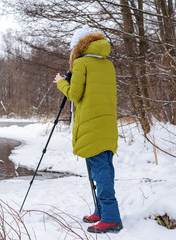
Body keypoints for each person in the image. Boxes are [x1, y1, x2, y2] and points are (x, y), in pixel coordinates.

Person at [53, 25, 122, 233]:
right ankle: (101, 211)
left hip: (91, 125)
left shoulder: (82, 63)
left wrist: (61, 83)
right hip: (107, 126)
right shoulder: (108, 65)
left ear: (79, 47)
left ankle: (111, 217)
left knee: (100, 172)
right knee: (104, 169)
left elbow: (75, 95)